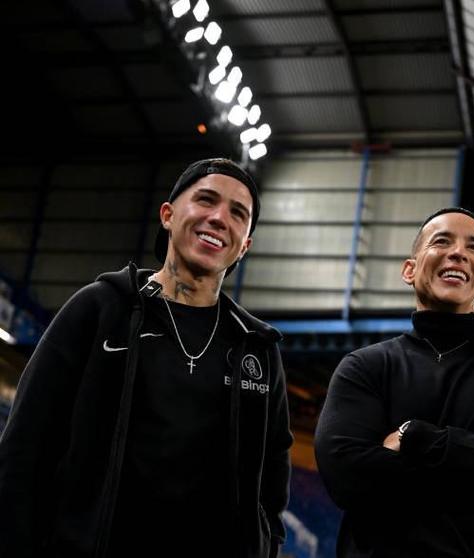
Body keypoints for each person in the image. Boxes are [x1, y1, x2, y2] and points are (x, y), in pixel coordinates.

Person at [0, 158, 293, 558]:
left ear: (244, 245)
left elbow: (271, 488)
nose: (219, 218)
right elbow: (25, 448)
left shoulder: (257, 348)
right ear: (168, 215)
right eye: (206, 200)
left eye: (237, 213)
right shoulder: (100, 310)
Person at [314, 207, 474, 558]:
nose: (458, 253)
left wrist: (419, 439)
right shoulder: (364, 366)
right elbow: (345, 475)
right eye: (442, 241)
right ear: (409, 270)